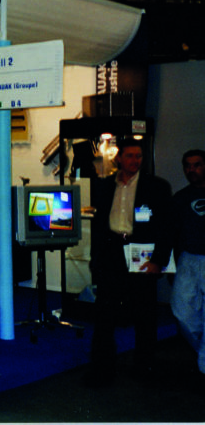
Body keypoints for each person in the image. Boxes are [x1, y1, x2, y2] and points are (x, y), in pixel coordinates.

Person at [85, 138, 172, 386]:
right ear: (119, 158)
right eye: (130, 156)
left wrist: (158, 260)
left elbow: (167, 226)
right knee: (104, 315)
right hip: (111, 253)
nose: (135, 161)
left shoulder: (157, 186)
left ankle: (144, 367)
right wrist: (95, 258)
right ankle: (101, 370)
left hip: (141, 254)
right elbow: (99, 226)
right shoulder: (104, 186)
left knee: (144, 314)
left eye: (139, 156)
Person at [157, 149, 205, 381]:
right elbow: (169, 233)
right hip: (188, 259)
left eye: (197, 165)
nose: (191, 170)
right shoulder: (180, 198)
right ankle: (203, 351)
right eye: (188, 165)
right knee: (182, 312)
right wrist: (165, 264)